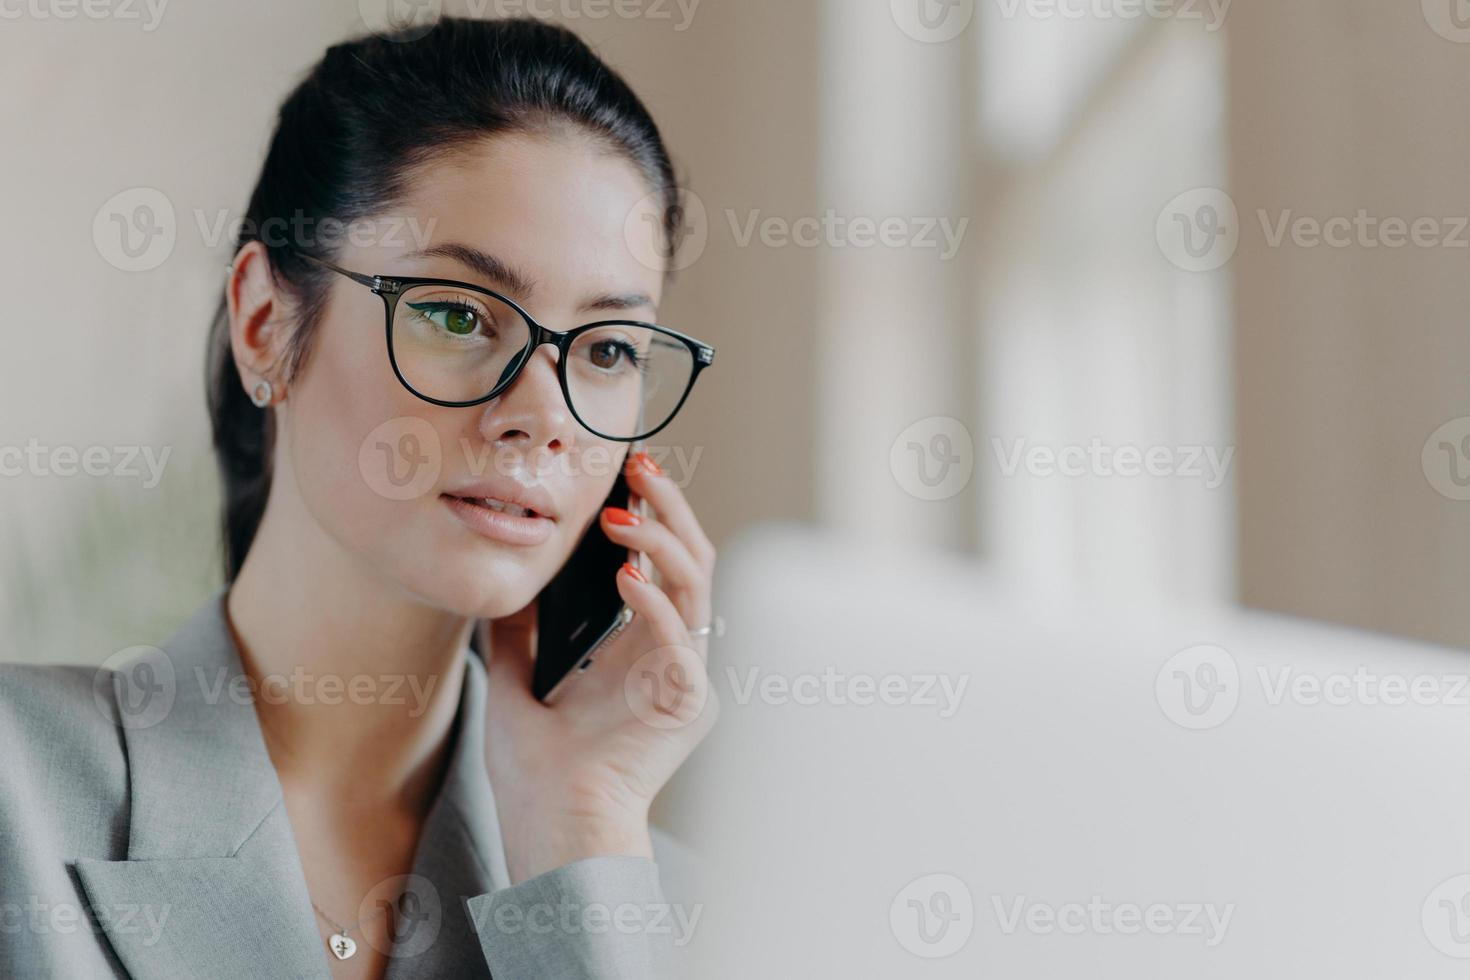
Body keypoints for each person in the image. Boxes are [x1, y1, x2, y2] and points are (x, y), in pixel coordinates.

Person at [0, 17, 719, 978]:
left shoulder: (658, 910)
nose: (545, 415)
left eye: (607, 350)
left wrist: (579, 825)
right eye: (458, 313)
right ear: (264, 322)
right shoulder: (19, 793)